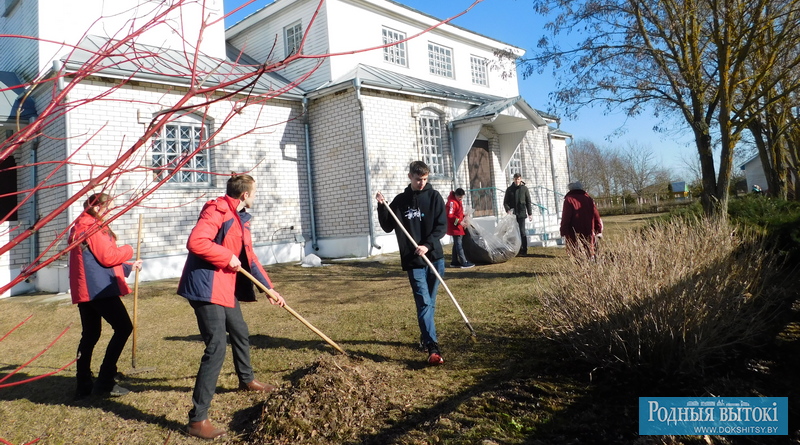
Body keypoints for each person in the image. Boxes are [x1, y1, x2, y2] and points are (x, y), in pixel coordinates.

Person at [178, 173, 286, 440]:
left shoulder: (239, 218)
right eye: (255, 191)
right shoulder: (217, 210)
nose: (256, 195)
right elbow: (196, 242)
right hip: (206, 288)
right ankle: (197, 419)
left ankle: (247, 380)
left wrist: (268, 288)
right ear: (245, 195)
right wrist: (226, 256)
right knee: (216, 347)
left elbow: (249, 257)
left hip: (223, 287)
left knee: (239, 330)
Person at [69, 193, 142, 400]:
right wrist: (128, 250)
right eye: (109, 207)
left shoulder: (81, 225)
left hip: (87, 288)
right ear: (98, 207)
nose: (111, 211)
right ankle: (105, 380)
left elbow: (95, 261)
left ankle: (83, 383)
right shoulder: (92, 227)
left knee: (90, 334)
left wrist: (128, 266)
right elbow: (108, 257)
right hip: (98, 290)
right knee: (123, 327)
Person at [376, 161, 447, 365]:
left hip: (435, 259)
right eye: (418, 179)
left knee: (429, 303)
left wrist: (427, 245)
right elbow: (388, 225)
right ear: (410, 177)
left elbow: (441, 227)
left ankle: (425, 338)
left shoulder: (434, 197)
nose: (422, 183)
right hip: (413, 261)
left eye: (425, 179)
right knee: (424, 302)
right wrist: (382, 206)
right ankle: (433, 347)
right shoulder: (400, 201)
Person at [560, 181, 603, 258]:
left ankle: (579, 262)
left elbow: (566, 216)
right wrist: (598, 227)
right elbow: (596, 214)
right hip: (588, 226)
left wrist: (563, 229)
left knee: (575, 249)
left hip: (573, 229)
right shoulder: (588, 198)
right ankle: (591, 259)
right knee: (589, 246)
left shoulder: (569, 199)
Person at [503, 173, 533, 256]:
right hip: (513, 215)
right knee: (514, 233)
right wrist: (508, 210)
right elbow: (505, 202)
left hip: (522, 213)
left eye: (518, 179)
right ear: (513, 179)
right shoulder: (509, 190)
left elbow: (528, 202)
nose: (517, 181)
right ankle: (517, 249)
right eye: (516, 179)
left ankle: (524, 250)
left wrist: (530, 213)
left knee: (522, 232)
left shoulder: (524, 189)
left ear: (520, 179)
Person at [446, 188, 474, 268]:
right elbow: (450, 215)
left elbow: (458, 213)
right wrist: (459, 222)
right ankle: (463, 261)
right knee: (459, 244)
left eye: (462, 197)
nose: (461, 199)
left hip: (457, 225)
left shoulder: (458, 202)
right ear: (456, 195)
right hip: (455, 226)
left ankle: (454, 261)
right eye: (460, 197)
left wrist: (464, 216)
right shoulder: (452, 203)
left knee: (456, 244)